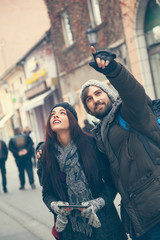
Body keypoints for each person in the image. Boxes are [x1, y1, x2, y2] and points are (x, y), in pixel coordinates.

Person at [80, 46, 160, 240]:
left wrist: (113, 71)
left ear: (109, 94)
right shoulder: (99, 134)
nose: (95, 100)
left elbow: (133, 93)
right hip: (139, 218)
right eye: (89, 99)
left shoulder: (128, 112)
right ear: (88, 110)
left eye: (98, 93)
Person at [36, 102, 127, 240]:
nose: (55, 115)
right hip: (71, 229)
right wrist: (55, 206)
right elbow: (47, 193)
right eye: (52, 114)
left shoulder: (92, 143)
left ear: (72, 119)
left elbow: (111, 182)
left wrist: (98, 203)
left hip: (104, 223)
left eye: (62, 113)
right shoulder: (46, 154)